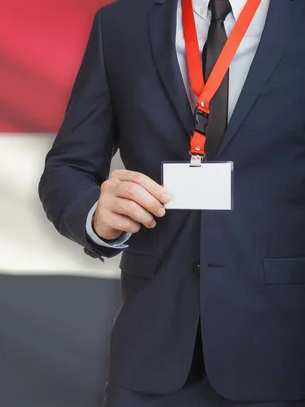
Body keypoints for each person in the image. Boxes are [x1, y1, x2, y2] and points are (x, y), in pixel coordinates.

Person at [38, 0, 305, 406]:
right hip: (151, 355)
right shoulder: (120, 24)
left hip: (285, 352)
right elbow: (67, 167)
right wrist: (94, 215)